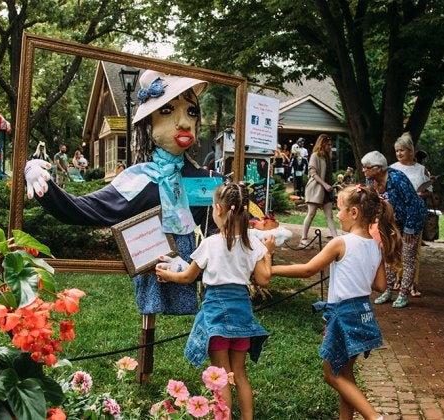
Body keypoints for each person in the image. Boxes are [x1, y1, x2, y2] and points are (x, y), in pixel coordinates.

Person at [25, 70, 218, 316]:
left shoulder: (204, 180)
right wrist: (43, 184)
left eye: (191, 112)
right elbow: (82, 210)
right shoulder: (138, 179)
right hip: (151, 268)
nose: (184, 122)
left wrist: (195, 267)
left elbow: (221, 236)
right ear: (149, 124)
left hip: (191, 274)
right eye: (167, 111)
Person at [272, 184, 401, 420]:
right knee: (345, 373)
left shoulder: (340, 243)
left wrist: (270, 270)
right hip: (363, 312)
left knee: (331, 375)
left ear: (354, 213)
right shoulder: (375, 246)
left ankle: (375, 418)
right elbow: (381, 286)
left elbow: (307, 270)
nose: (337, 215)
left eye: (341, 209)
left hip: (343, 314)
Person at [156, 182, 276, 419]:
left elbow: (189, 276)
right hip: (242, 313)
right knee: (240, 374)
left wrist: (167, 274)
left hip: (216, 313)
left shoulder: (210, 244)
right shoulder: (252, 244)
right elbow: (264, 279)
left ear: (219, 209)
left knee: (221, 374)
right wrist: (268, 254)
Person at [363, 151, 426, 308]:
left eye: (367, 167)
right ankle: (388, 290)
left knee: (408, 256)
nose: (364, 170)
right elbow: (373, 203)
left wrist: (410, 228)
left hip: (411, 221)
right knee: (388, 254)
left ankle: (404, 294)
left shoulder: (397, 178)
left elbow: (412, 203)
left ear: (379, 168)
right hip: (390, 221)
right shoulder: (370, 181)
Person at [390, 132, 431, 297]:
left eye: (402, 150)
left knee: (412, 252)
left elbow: (428, 190)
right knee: (395, 249)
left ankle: (412, 284)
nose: (399, 153)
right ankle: (396, 280)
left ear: (411, 151)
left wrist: (423, 194)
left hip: (414, 215)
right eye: (397, 150)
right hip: (396, 214)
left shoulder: (421, 169)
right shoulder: (392, 168)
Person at [300, 134, 338, 246]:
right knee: (311, 213)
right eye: (328, 145)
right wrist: (325, 185)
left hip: (327, 190)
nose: (330, 147)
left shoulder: (327, 156)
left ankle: (336, 238)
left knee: (329, 215)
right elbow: (312, 173)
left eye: (331, 145)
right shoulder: (315, 155)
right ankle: (303, 239)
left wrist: (329, 186)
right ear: (322, 144)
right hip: (316, 189)